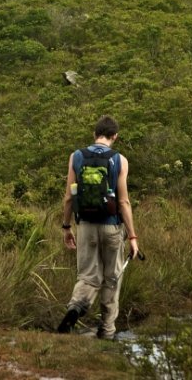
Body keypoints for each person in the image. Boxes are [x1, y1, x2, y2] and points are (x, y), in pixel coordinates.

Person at [57, 115, 140, 339]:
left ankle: (75, 308)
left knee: (87, 275)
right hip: (112, 227)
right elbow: (123, 202)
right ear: (115, 136)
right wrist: (132, 236)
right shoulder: (120, 160)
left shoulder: (76, 156)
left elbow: (68, 197)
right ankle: (107, 329)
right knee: (112, 277)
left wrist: (66, 227)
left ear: (95, 135)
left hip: (85, 226)